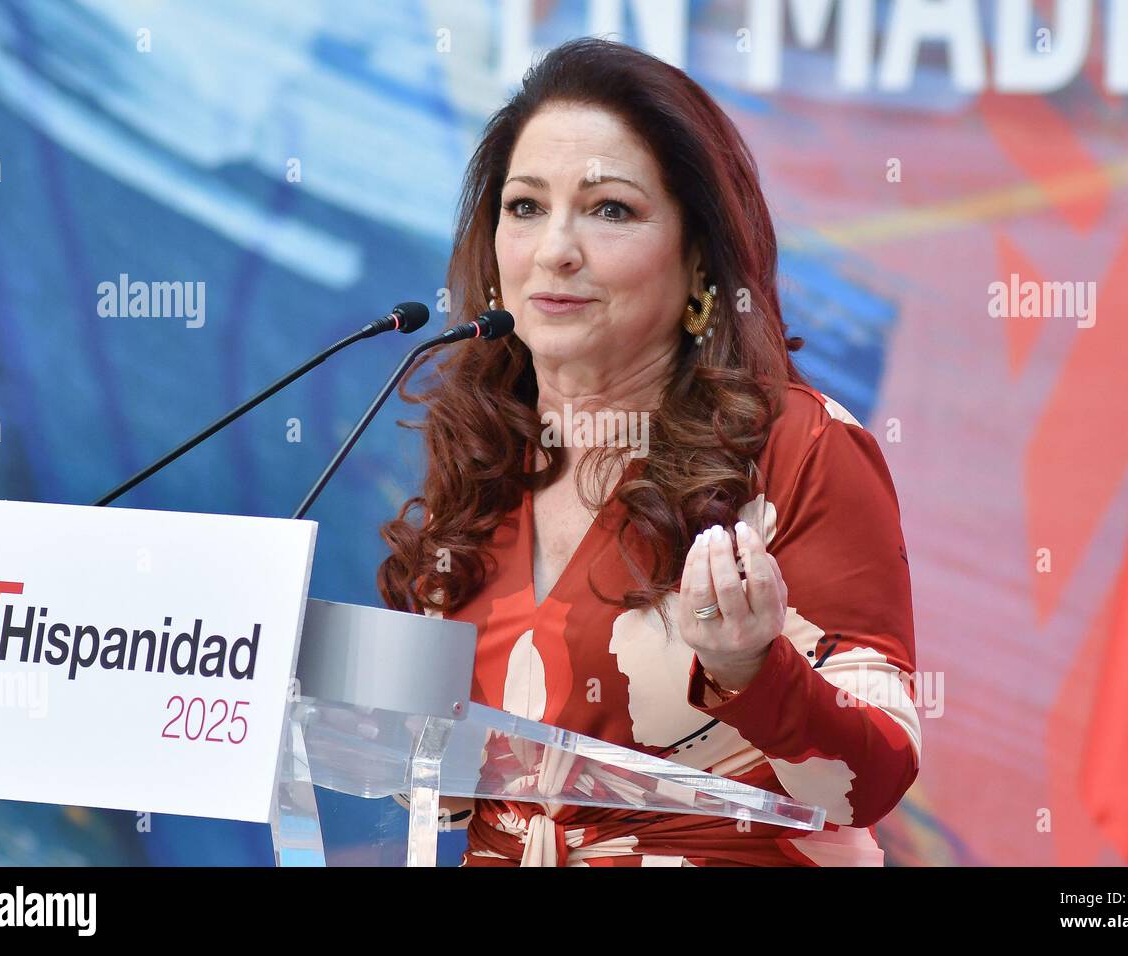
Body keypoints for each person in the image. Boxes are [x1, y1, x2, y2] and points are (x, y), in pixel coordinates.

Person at [379, 37, 919, 866]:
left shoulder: (799, 449)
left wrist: (749, 668)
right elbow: (447, 783)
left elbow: (873, 774)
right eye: (524, 207)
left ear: (699, 259)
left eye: (610, 210)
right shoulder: (485, 454)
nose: (555, 248)